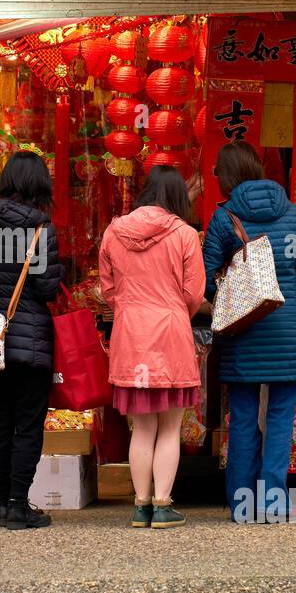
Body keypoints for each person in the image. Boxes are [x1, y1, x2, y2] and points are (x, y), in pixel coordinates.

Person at [202, 142, 296, 524]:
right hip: (289, 333)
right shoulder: (294, 213)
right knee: (282, 418)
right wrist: (291, 304)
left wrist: (233, 301)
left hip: (245, 334)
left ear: (228, 175)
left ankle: (242, 505)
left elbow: (204, 277)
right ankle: (275, 501)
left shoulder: (225, 219)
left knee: (243, 417)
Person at [100, 166, 206, 529]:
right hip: (171, 334)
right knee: (170, 428)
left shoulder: (114, 232)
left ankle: (140, 504)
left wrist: (129, 307)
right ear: (177, 196)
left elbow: (108, 291)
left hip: (130, 335)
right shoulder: (185, 235)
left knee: (141, 428)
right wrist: (176, 310)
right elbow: (194, 294)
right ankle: (163, 505)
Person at [0, 151, 64, 530]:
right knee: (27, 423)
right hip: (31, 344)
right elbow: (48, 287)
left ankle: (4, 504)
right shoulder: (43, 230)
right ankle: (18, 504)